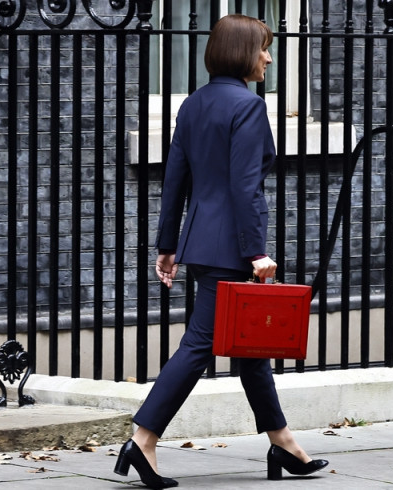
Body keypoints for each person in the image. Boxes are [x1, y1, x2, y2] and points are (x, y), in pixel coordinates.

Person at [112, 14, 329, 489]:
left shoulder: (192, 104)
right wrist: (256, 252)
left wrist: (167, 245)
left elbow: (176, 180)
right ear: (242, 53)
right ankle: (143, 437)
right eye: (263, 48)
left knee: (250, 347)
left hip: (201, 243)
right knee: (201, 344)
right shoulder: (248, 107)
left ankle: (283, 442)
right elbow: (245, 186)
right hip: (232, 247)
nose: (268, 57)